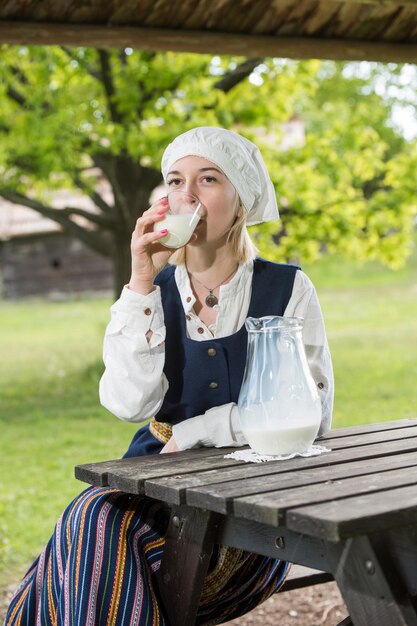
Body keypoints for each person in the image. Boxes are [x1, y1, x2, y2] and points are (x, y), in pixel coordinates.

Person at [4, 126, 333, 626]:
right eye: (175, 182)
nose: (187, 195)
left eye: (208, 179)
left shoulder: (286, 288)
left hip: (250, 506)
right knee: (92, 522)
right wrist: (140, 283)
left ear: (240, 200)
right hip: (155, 483)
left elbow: (310, 412)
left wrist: (196, 431)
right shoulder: (151, 289)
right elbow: (127, 405)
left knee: (88, 541)